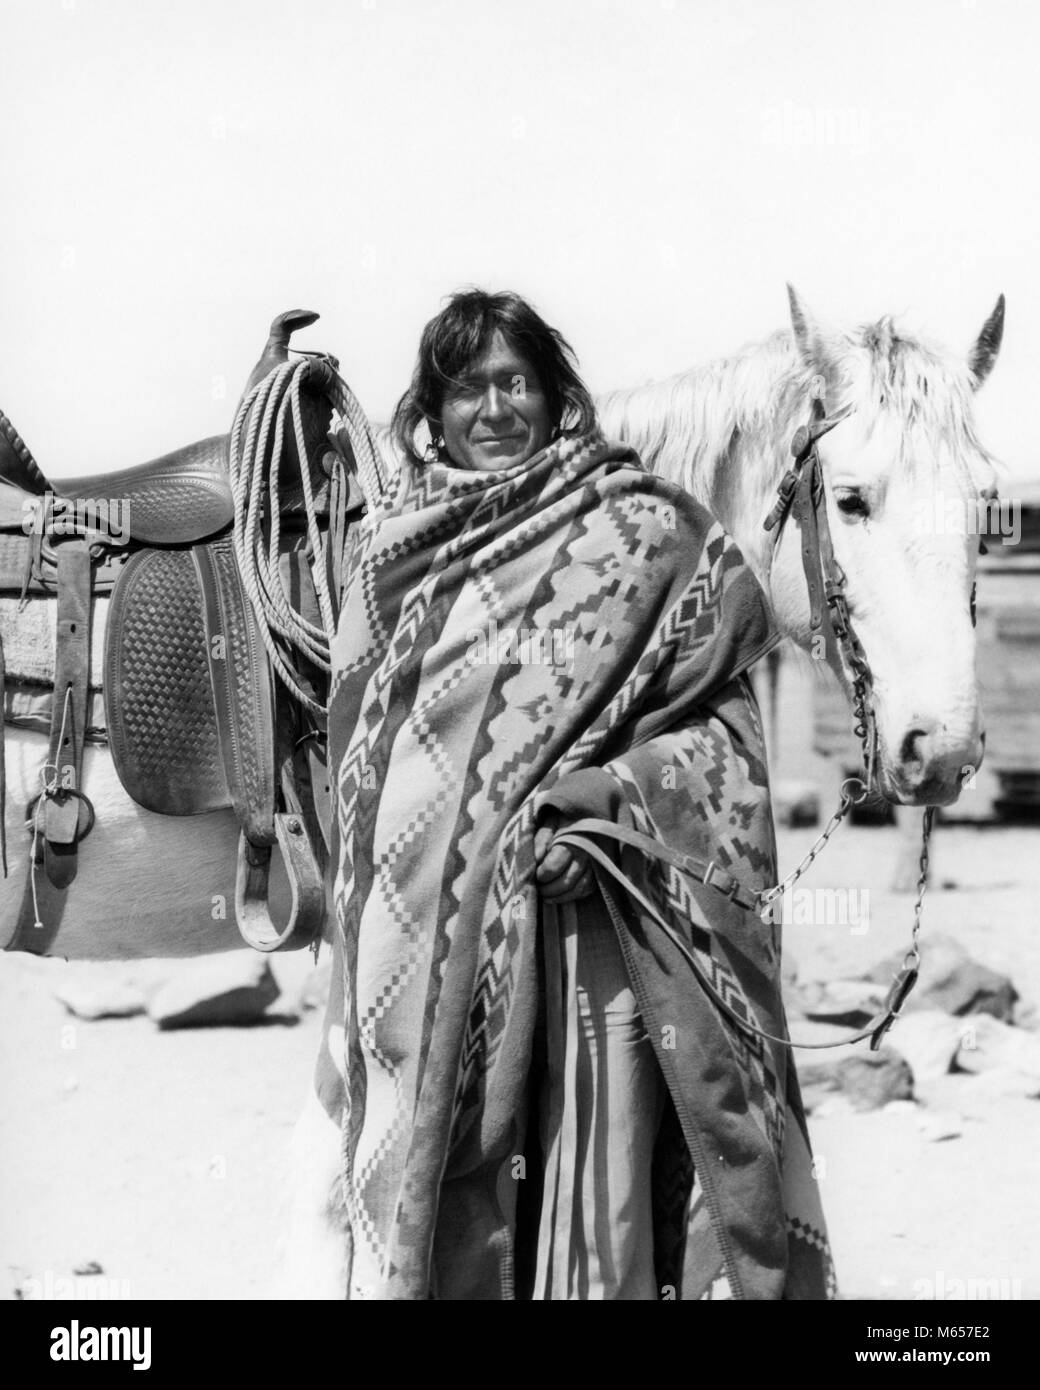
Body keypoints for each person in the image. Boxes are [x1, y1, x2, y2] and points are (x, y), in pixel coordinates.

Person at [314, 288, 833, 1300]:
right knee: (459, 1171)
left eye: (516, 382)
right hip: (437, 945)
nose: (494, 407)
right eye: (466, 389)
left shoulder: (644, 526)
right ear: (431, 412)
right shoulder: (394, 559)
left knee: (613, 1181)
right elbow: (372, 772)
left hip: (608, 921)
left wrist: (602, 800)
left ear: (557, 396)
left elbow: (722, 731)